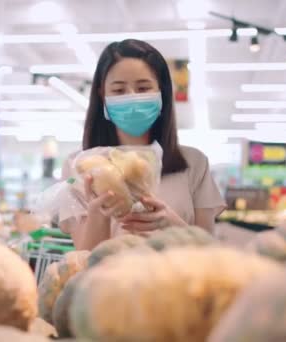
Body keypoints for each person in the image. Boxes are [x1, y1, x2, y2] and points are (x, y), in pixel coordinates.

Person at [61, 39, 225, 250]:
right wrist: (98, 215)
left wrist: (172, 225)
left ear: (161, 92)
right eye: (119, 90)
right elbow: (85, 258)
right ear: (103, 95)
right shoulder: (80, 167)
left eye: (143, 87)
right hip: (109, 282)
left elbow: (209, 253)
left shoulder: (194, 163)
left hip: (179, 282)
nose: (132, 98)